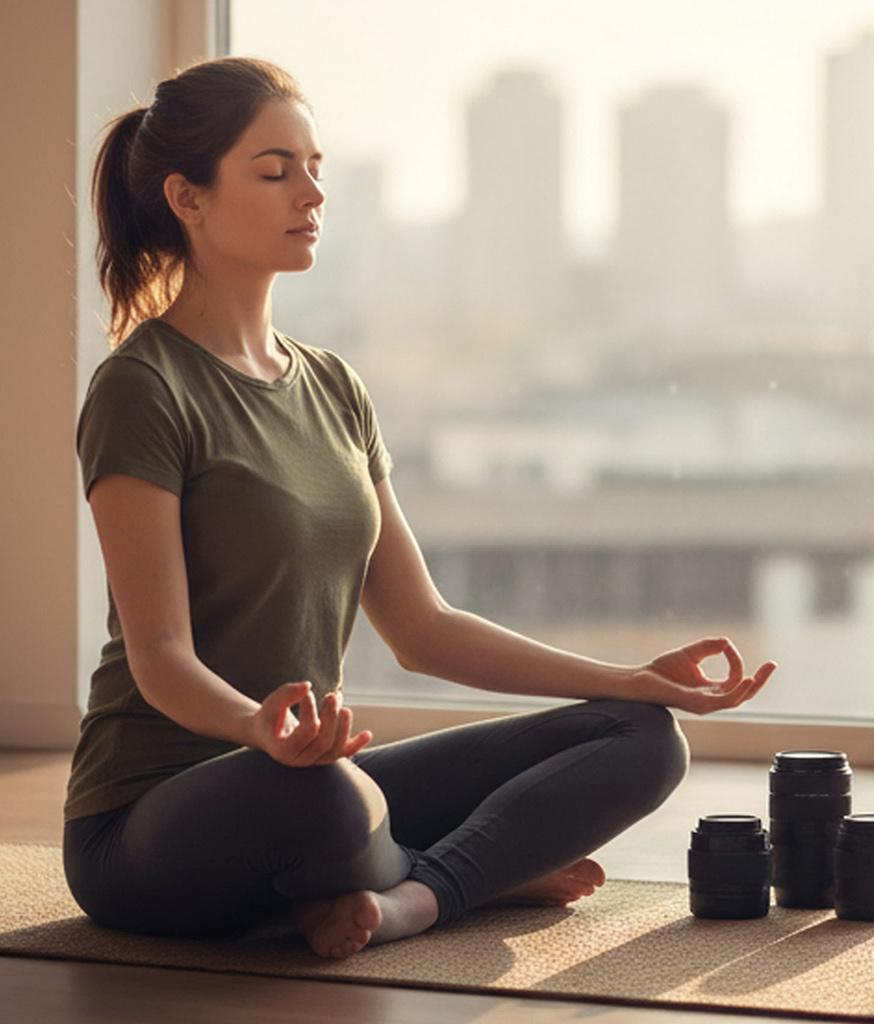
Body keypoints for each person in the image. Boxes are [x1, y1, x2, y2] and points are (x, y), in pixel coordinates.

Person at [66, 56, 775, 960]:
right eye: (275, 170)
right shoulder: (142, 386)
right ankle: (467, 872)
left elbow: (424, 628)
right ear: (187, 198)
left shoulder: (333, 386)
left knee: (640, 738)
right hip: (151, 815)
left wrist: (629, 678)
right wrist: (258, 728)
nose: (311, 192)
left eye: (316, 167)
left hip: (312, 774)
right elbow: (160, 658)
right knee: (331, 800)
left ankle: (411, 898)